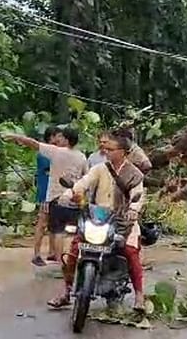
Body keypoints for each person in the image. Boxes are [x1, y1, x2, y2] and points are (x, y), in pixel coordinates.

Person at [48, 132, 146, 310]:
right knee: (74, 250)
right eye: (105, 148)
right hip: (98, 217)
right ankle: (67, 291)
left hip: (124, 221)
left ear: (123, 151)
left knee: (131, 252)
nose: (106, 151)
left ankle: (139, 297)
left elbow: (138, 196)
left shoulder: (135, 174)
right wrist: (68, 194)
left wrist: (133, 210)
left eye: (110, 149)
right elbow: (84, 182)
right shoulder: (100, 169)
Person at [3, 128, 88, 262]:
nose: (59, 139)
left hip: (56, 198)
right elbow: (86, 177)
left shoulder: (56, 152)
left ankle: (59, 261)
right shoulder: (82, 156)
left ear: (66, 139)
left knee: (58, 231)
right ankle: (69, 259)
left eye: (61, 137)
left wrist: (15, 136)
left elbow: (32, 143)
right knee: (73, 232)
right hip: (74, 198)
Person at [31, 126, 61, 267]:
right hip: (46, 192)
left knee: (53, 224)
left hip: (53, 193)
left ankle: (52, 252)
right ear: (52, 137)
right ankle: (36, 254)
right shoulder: (45, 154)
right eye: (58, 136)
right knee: (42, 223)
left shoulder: (54, 152)